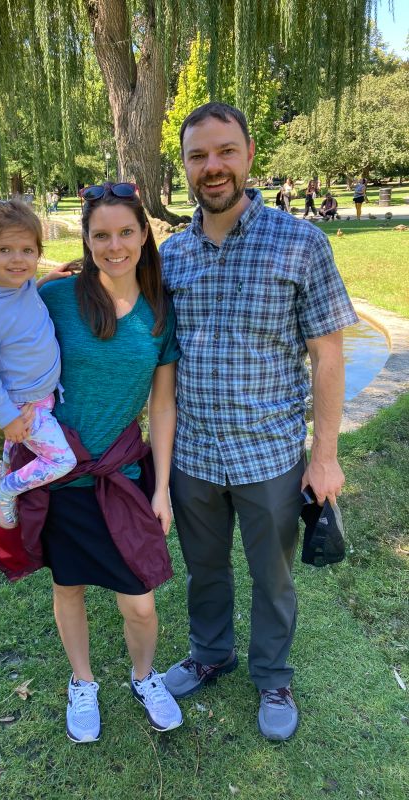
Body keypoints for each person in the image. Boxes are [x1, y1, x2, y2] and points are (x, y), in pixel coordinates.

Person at [159, 102, 358, 741]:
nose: (211, 167)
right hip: (192, 454)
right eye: (198, 156)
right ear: (185, 167)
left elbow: (328, 353)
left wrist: (324, 455)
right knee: (204, 569)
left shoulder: (302, 243)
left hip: (269, 453)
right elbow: (130, 323)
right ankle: (210, 652)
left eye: (224, 152)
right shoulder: (170, 257)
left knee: (273, 577)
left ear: (247, 157)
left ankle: (274, 675)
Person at [0, 183, 184, 743]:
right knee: (68, 587)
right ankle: (83, 681)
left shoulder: (161, 310)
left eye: (125, 232)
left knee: (139, 602)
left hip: (121, 474)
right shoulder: (53, 297)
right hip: (58, 470)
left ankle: (145, 678)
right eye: (101, 235)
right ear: (87, 239)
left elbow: (161, 404)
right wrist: (9, 420)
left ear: (144, 234)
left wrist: (162, 488)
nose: (113, 245)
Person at [0, 200, 77, 528]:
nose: (17, 259)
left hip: (38, 395)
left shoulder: (22, 285)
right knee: (62, 460)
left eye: (27, 250)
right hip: (24, 406)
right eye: (5, 250)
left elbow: (25, 300)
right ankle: (2, 489)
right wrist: (7, 418)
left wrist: (45, 281)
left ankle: (5, 468)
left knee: (17, 449)